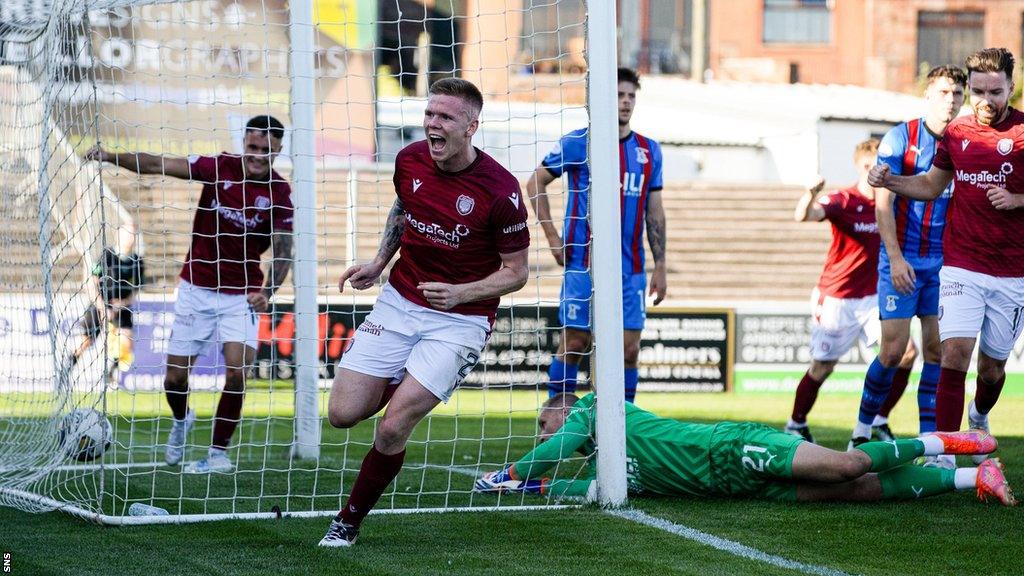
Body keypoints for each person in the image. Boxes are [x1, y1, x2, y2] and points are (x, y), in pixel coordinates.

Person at [319, 78, 530, 548]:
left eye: (446, 117)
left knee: (394, 426)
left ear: (471, 127)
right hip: (398, 301)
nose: (433, 125)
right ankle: (402, 381)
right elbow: (403, 207)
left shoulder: (501, 190)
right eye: (430, 114)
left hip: (461, 318)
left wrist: (462, 293)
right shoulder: (410, 159)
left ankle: (347, 521)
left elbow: (516, 272)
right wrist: (378, 261)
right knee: (341, 414)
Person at [84, 115, 294, 474]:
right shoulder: (218, 167)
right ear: (244, 142)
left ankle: (217, 453)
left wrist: (267, 292)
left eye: (266, 150)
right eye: (253, 147)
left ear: (277, 150)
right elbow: (159, 165)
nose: (257, 156)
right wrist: (109, 155)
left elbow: (284, 248)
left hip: (240, 295)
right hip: (196, 289)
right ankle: (182, 420)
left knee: (237, 372)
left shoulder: (280, 192)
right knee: (175, 380)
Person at [868, 47, 1024, 467]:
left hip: (1011, 273)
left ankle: (979, 414)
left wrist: (1017, 198)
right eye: (978, 91)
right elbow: (931, 185)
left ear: (1011, 87)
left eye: (995, 91)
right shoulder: (956, 134)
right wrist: (891, 180)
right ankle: (945, 450)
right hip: (960, 265)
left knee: (991, 371)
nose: (985, 100)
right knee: (952, 353)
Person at [474, 392, 1015, 507]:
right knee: (856, 490)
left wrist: (510, 473)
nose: (544, 435)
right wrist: (536, 484)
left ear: (564, 409)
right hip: (735, 487)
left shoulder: (596, 410)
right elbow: (581, 487)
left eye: (543, 423)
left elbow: (558, 446)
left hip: (733, 449)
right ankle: (973, 479)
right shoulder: (608, 470)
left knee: (845, 462)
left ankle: (948, 440)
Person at [527, 67, 666, 404]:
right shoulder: (579, 143)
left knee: (628, 351)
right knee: (575, 342)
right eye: (619, 95)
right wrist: (552, 238)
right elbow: (534, 183)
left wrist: (660, 264)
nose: (626, 102)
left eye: (631, 95)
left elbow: (655, 212)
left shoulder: (649, 152)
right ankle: (558, 423)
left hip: (629, 270)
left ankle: (624, 430)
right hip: (582, 265)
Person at [849, 66, 966, 448]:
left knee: (937, 351)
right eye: (944, 92)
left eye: (957, 94)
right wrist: (896, 259)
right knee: (894, 350)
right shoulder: (901, 137)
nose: (951, 100)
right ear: (929, 95)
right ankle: (862, 431)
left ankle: (928, 443)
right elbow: (884, 200)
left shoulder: (965, 141)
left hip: (943, 263)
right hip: (902, 259)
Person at [784, 138, 915, 444]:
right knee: (823, 366)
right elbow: (805, 215)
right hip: (836, 298)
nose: (873, 173)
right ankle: (795, 423)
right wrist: (810, 193)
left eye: (879, 167)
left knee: (906, 353)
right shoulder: (844, 199)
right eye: (868, 167)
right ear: (858, 167)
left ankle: (879, 420)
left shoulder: (893, 202)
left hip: (872, 297)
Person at [65, 222, 145, 383]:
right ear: (118, 235)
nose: (129, 238)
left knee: (126, 342)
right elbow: (91, 283)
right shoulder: (107, 255)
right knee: (86, 342)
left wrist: (122, 303)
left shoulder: (137, 261)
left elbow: (137, 289)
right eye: (126, 234)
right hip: (99, 304)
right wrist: (102, 307)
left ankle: (110, 373)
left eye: (132, 235)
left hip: (121, 307)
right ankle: (66, 370)